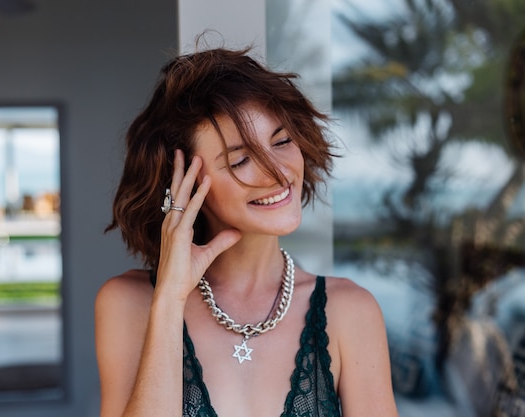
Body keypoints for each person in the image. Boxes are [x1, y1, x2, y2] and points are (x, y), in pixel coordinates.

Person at [95, 46, 398, 417]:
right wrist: (171, 299)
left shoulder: (351, 311)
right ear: (185, 186)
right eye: (240, 160)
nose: (278, 172)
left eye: (282, 141)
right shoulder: (128, 303)